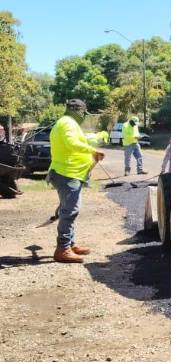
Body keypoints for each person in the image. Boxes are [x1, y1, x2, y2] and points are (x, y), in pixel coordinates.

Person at [47, 99, 105, 263]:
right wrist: (93, 150)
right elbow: (71, 143)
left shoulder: (67, 123)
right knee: (70, 211)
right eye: (83, 113)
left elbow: (77, 141)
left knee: (70, 209)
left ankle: (70, 244)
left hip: (71, 174)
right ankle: (63, 249)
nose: (84, 116)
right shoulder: (67, 123)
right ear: (76, 110)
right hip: (67, 174)